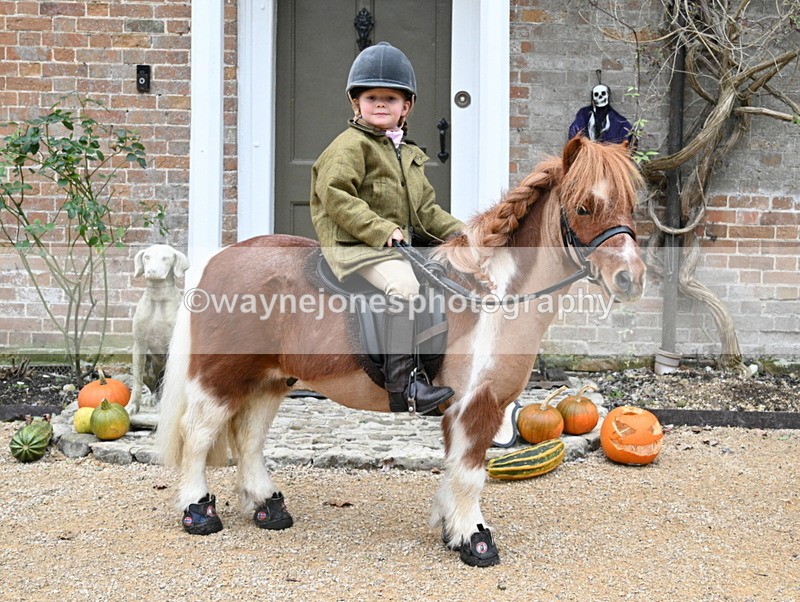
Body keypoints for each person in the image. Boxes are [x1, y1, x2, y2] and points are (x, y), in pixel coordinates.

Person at [310, 42, 464, 414]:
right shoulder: (350, 146)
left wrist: (467, 233)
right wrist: (381, 230)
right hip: (357, 245)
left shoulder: (407, 154)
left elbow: (426, 212)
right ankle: (403, 384)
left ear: (405, 107)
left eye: (390, 99)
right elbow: (336, 195)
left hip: (392, 246)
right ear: (356, 103)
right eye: (372, 98)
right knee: (404, 285)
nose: (381, 104)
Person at [568, 84, 636, 146]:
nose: (600, 97)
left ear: (608, 95)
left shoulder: (617, 120)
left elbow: (626, 129)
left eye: (603, 94)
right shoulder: (584, 114)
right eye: (596, 95)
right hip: (588, 151)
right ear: (593, 98)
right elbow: (575, 129)